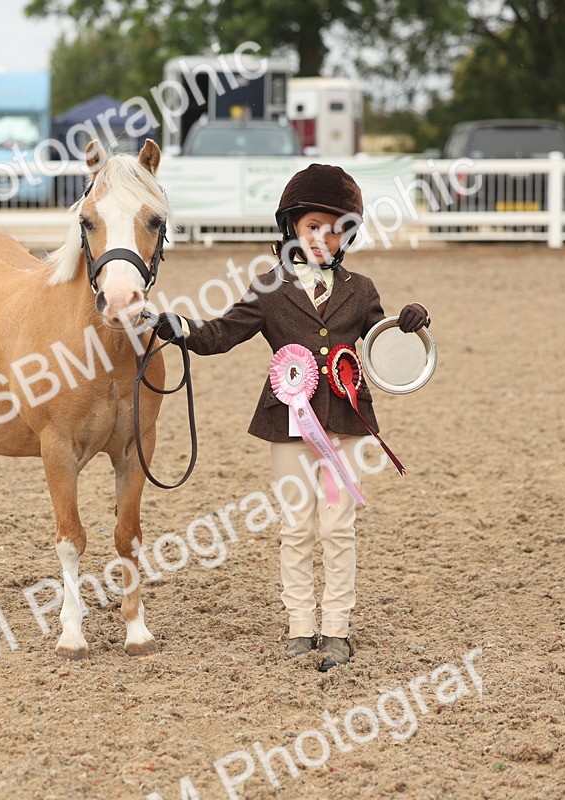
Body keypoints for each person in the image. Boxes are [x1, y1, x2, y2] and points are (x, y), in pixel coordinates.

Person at [153, 164, 430, 671]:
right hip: (288, 421)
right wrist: (179, 327)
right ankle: (301, 627)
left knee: (338, 525)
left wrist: (411, 322)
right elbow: (220, 335)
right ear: (292, 229)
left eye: (336, 228)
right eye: (313, 227)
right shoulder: (269, 288)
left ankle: (337, 630)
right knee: (296, 527)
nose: (324, 238)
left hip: (345, 422)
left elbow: (381, 344)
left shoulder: (362, 290)